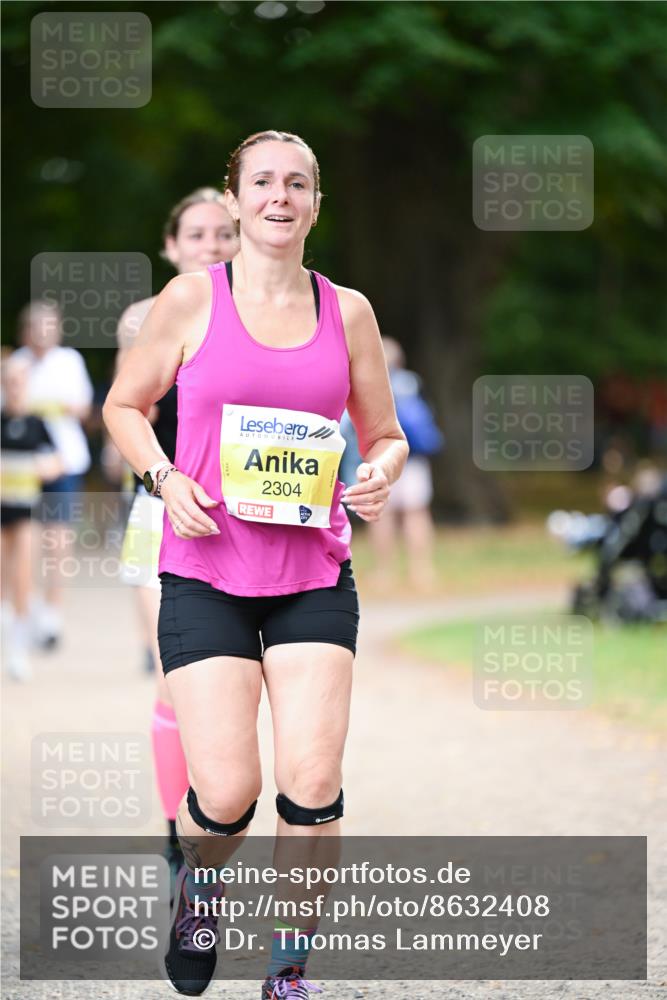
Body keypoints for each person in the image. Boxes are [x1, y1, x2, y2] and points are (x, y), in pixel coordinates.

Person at [103, 129, 408, 999]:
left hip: (313, 572)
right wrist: (163, 476)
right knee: (228, 793)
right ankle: (201, 882)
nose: (281, 197)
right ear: (233, 199)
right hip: (205, 572)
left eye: (298, 184)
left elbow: (385, 437)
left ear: (317, 202)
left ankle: (286, 971)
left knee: (312, 782)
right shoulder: (189, 300)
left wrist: (378, 477)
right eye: (263, 182)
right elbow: (127, 405)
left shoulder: (346, 309)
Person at [115, 187, 239, 889]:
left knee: (225, 684)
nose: (211, 246)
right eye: (196, 235)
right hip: (160, 510)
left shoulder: (267, 310)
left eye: (224, 233)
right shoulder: (149, 317)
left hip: (240, 514)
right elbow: (129, 413)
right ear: (170, 245)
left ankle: (215, 811)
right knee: (173, 679)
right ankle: (176, 837)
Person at [13, 300, 94, 647]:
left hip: (64, 460)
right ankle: (21, 605)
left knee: (58, 538)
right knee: (20, 540)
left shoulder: (69, 361)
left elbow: (81, 408)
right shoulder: (16, 364)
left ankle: (53, 612)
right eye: (37, 326)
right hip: (22, 466)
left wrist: (46, 405)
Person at [1, 353, 63, 680]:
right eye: (9, 382)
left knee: (23, 576)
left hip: (26, 510)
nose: (14, 388)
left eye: (19, 382)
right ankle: (8, 635)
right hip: (1, 510)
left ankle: (18, 650)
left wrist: (44, 467)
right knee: (2, 581)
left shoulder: (38, 424)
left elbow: (58, 462)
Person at [367, 337, 442, 592]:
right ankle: (422, 570)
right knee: (416, 513)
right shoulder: (411, 382)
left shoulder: (368, 383)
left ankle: (384, 571)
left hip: (379, 457)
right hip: (413, 458)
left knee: (381, 514)